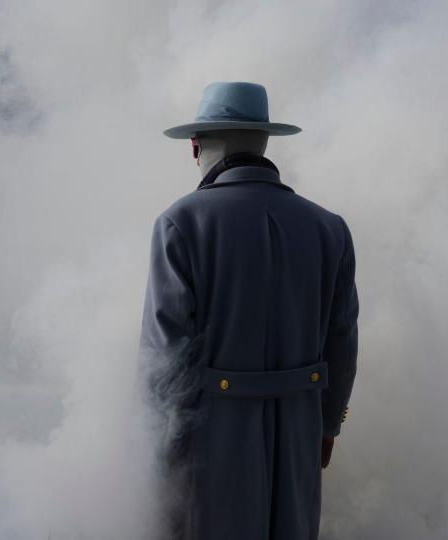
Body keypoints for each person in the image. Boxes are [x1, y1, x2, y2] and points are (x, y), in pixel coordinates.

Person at [141, 82, 359, 540]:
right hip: (301, 425)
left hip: (210, 435)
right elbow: (342, 341)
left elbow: (165, 354)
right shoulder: (329, 227)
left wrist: (154, 448)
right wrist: (328, 425)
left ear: (199, 145)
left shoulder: (180, 223)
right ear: (263, 142)